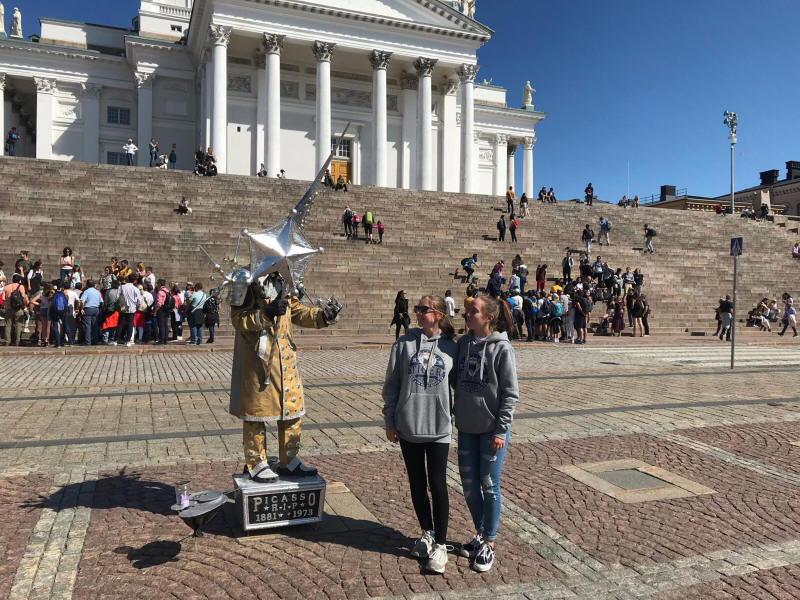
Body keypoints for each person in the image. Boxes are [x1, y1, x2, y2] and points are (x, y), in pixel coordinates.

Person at [229, 274, 340, 481]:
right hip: (259, 359)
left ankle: (289, 459)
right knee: (257, 412)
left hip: (286, 357)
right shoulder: (244, 278)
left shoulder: (286, 278)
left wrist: (322, 316)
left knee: (291, 409)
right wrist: (265, 313)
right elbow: (237, 319)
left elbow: (295, 311)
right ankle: (256, 461)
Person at [382, 295, 457, 574]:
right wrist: (390, 420)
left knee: (437, 484)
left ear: (438, 314)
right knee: (416, 483)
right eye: (417, 308)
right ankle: (427, 532)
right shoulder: (403, 344)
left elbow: (460, 386)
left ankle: (441, 544)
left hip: (438, 426)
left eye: (424, 309)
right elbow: (391, 385)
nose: (418, 313)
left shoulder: (451, 347)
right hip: (409, 424)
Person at [455, 295, 519, 573]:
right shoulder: (463, 344)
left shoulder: (502, 348)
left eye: (474, 311)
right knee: (470, 486)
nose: (467, 314)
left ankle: (489, 543)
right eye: (468, 310)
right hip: (466, 427)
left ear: (489, 317)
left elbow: (510, 393)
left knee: (489, 485)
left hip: (492, 429)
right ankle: (480, 534)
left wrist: (501, 429)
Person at [2, 274, 28, 346]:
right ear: (19, 280)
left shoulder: (6, 287)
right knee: (18, 325)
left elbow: (3, 299)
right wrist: (24, 305)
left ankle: (7, 341)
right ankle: (17, 341)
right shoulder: (21, 286)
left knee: (8, 325)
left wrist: (4, 306)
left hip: (8, 308)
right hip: (18, 308)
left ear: (12, 280)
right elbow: (23, 297)